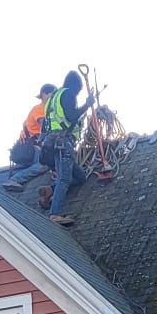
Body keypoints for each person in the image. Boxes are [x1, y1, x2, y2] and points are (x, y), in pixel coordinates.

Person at [37, 70, 94, 225]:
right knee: (65, 178)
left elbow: (47, 123)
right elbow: (71, 116)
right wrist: (87, 105)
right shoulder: (68, 94)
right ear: (75, 85)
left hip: (51, 142)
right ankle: (54, 214)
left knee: (80, 177)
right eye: (79, 89)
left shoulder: (53, 98)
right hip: (63, 142)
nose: (79, 92)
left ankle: (50, 190)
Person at [4, 84, 57, 180]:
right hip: (35, 146)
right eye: (52, 94)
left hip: (40, 144)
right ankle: (15, 180)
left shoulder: (47, 110)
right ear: (44, 94)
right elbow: (45, 125)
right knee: (43, 165)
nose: (53, 98)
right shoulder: (39, 109)